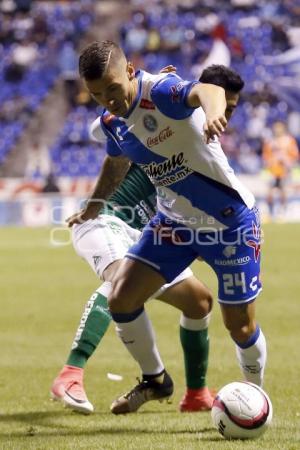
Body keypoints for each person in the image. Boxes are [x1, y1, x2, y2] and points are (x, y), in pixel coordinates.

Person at [69, 41, 267, 414]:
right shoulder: (112, 123)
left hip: (229, 223)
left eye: (112, 88)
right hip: (173, 224)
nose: (108, 100)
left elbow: (207, 90)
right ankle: (155, 380)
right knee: (121, 299)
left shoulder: (159, 92)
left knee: (239, 327)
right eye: (97, 95)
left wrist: (213, 114)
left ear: (129, 71)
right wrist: (94, 206)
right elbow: (115, 162)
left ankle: (255, 397)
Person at [51, 161, 214, 414]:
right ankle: (71, 373)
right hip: (104, 218)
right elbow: (114, 145)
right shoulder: (160, 134)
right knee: (119, 281)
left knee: (199, 301)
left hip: (145, 236)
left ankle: (189, 392)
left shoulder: (202, 168)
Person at [262, 121, 298, 219]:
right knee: (269, 193)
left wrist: (287, 161)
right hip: (272, 171)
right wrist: (268, 162)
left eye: (279, 127)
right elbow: (265, 155)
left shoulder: (289, 140)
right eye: (276, 127)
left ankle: (282, 212)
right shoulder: (270, 141)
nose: (277, 130)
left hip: (284, 172)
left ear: (283, 128)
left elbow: (295, 155)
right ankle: (270, 213)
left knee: (283, 193)